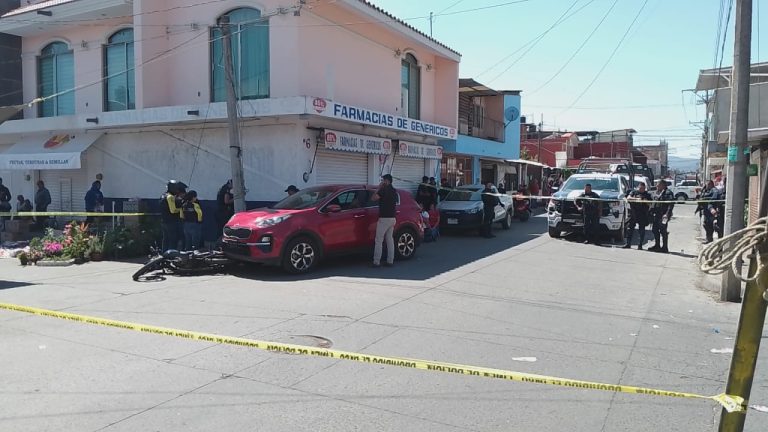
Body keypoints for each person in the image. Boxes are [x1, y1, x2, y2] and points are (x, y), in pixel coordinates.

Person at [371, 174, 397, 267]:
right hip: (392, 218)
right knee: (390, 239)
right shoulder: (394, 190)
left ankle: (376, 261)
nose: (382, 181)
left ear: (387, 181)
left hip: (384, 218)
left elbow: (373, 198)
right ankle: (390, 261)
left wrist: (378, 188)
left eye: (383, 180)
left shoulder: (383, 190)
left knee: (379, 240)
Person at [648, 179, 675, 253]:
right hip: (656, 215)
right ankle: (657, 245)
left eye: (658, 184)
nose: (656, 186)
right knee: (654, 230)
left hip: (663, 215)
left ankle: (665, 247)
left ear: (663, 185)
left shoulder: (668, 193)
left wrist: (667, 214)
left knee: (663, 231)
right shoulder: (657, 192)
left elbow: (670, 204)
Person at [624, 182, 652, 250]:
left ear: (645, 188)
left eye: (643, 188)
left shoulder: (647, 194)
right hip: (633, 213)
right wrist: (636, 199)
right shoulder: (633, 192)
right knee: (630, 229)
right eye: (640, 188)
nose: (641, 189)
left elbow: (650, 204)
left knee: (641, 230)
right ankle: (628, 244)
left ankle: (640, 245)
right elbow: (628, 198)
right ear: (638, 187)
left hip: (642, 214)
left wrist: (645, 201)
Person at [161, 180, 187, 251]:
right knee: (173, 240)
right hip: (171, 222)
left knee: (165, 239)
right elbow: (173, 210)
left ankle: (164, 255)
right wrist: (180, 209)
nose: (177, 190)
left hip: (164, 221)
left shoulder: (163, 196)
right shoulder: (170, 197)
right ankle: (172, 255)